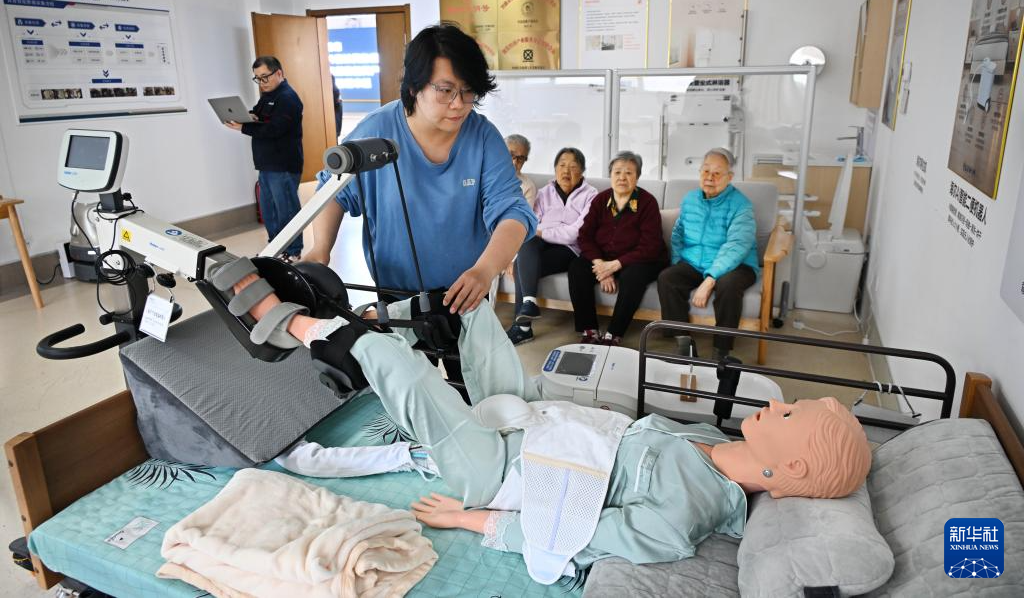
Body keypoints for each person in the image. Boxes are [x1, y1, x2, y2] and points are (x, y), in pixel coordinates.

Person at [220, 266, 872, 577]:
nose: (774, 404)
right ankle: (390, 320)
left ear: (790, 466)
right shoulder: (710, 439)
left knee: (406, 373)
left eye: (788, 413)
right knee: (476, 315)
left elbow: (574, 537)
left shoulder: (687, 514)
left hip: (502, 474)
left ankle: (290, 325)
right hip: (538, 426)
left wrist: (470, 519)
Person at [309, 24, 536, 314]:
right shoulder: (377, 130)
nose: (459, 104)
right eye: (446, 91)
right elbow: (334, 191)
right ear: (414, 86)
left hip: (466, 293)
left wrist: (485, 270)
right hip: (395, 295)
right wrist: (321, 249)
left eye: (468, 91)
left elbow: (513, 212)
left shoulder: (482, 137)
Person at [657, 147, 758, 360]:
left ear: (729, 177)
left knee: (729, 285)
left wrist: (710, 279)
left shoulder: (741, 205)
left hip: (737, 264)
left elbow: (737, 245)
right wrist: (678, 262)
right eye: (705, 171)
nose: (710, 177)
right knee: (668, 278)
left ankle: (721, 351)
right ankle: (684, 344)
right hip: (695, 261)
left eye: (717, 173)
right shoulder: (690, 199)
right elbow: (678, 233)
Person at [568, 151, 667, 346]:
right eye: (617, 172)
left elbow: (650, 246)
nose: (622, 177)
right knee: (577, 268)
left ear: (637, 177)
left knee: (633, 277)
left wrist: (614, 266)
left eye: (629, 173)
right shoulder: (600, 200)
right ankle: (589, 330)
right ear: (610, 175)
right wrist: (601, 266)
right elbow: (585, 236)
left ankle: (614, 333)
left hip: (641, 259)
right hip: (604, 258)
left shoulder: (647, 202)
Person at [505, 147, 598, 345]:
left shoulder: (591, 195)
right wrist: (533, 238)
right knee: (526, 247)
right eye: (562, 166)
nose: (566, 171)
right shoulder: (544, 193)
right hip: (539, 245)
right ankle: (529, 304)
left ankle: (522, 328)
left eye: (573, 167)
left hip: (569, 249)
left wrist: (542, 232)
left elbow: (575, 233)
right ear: (555, 169)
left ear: (582, 171)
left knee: (523, 264)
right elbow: (531, 225)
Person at [225, 56, 304, 260]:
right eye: (258, 78)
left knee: (287, 211)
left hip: (283, 165)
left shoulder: (288, 98)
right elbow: (261, 116)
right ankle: (275, 249)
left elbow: (274, 129)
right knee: (270, 212)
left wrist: (243, 127)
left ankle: (293, 252)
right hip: (266, 164)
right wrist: (248, 116)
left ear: (279, 73)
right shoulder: (268, 96)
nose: (262, 82)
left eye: (265, 77)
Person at [504, 134, 537, 208]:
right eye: (511, 155)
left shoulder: (528, 187)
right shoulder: (484, 175)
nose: (514, 162)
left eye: (521, 158)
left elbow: (525, 214)